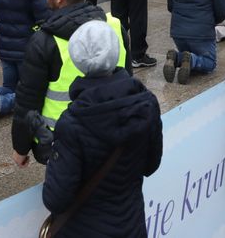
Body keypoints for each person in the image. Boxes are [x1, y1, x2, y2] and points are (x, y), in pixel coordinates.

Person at [40, 21, 163, 235]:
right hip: (131, 226)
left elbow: (55, 199)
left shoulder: (73, 122)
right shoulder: (146, 104)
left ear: (78, 60)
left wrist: (51, 150)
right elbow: (150, 166)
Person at [11, 0, 127, 165]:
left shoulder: (44, 41)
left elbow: (28, 100)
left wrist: (21, 147)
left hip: (60, 142)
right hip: (111, 128)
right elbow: (127, 79)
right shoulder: (115, 26)